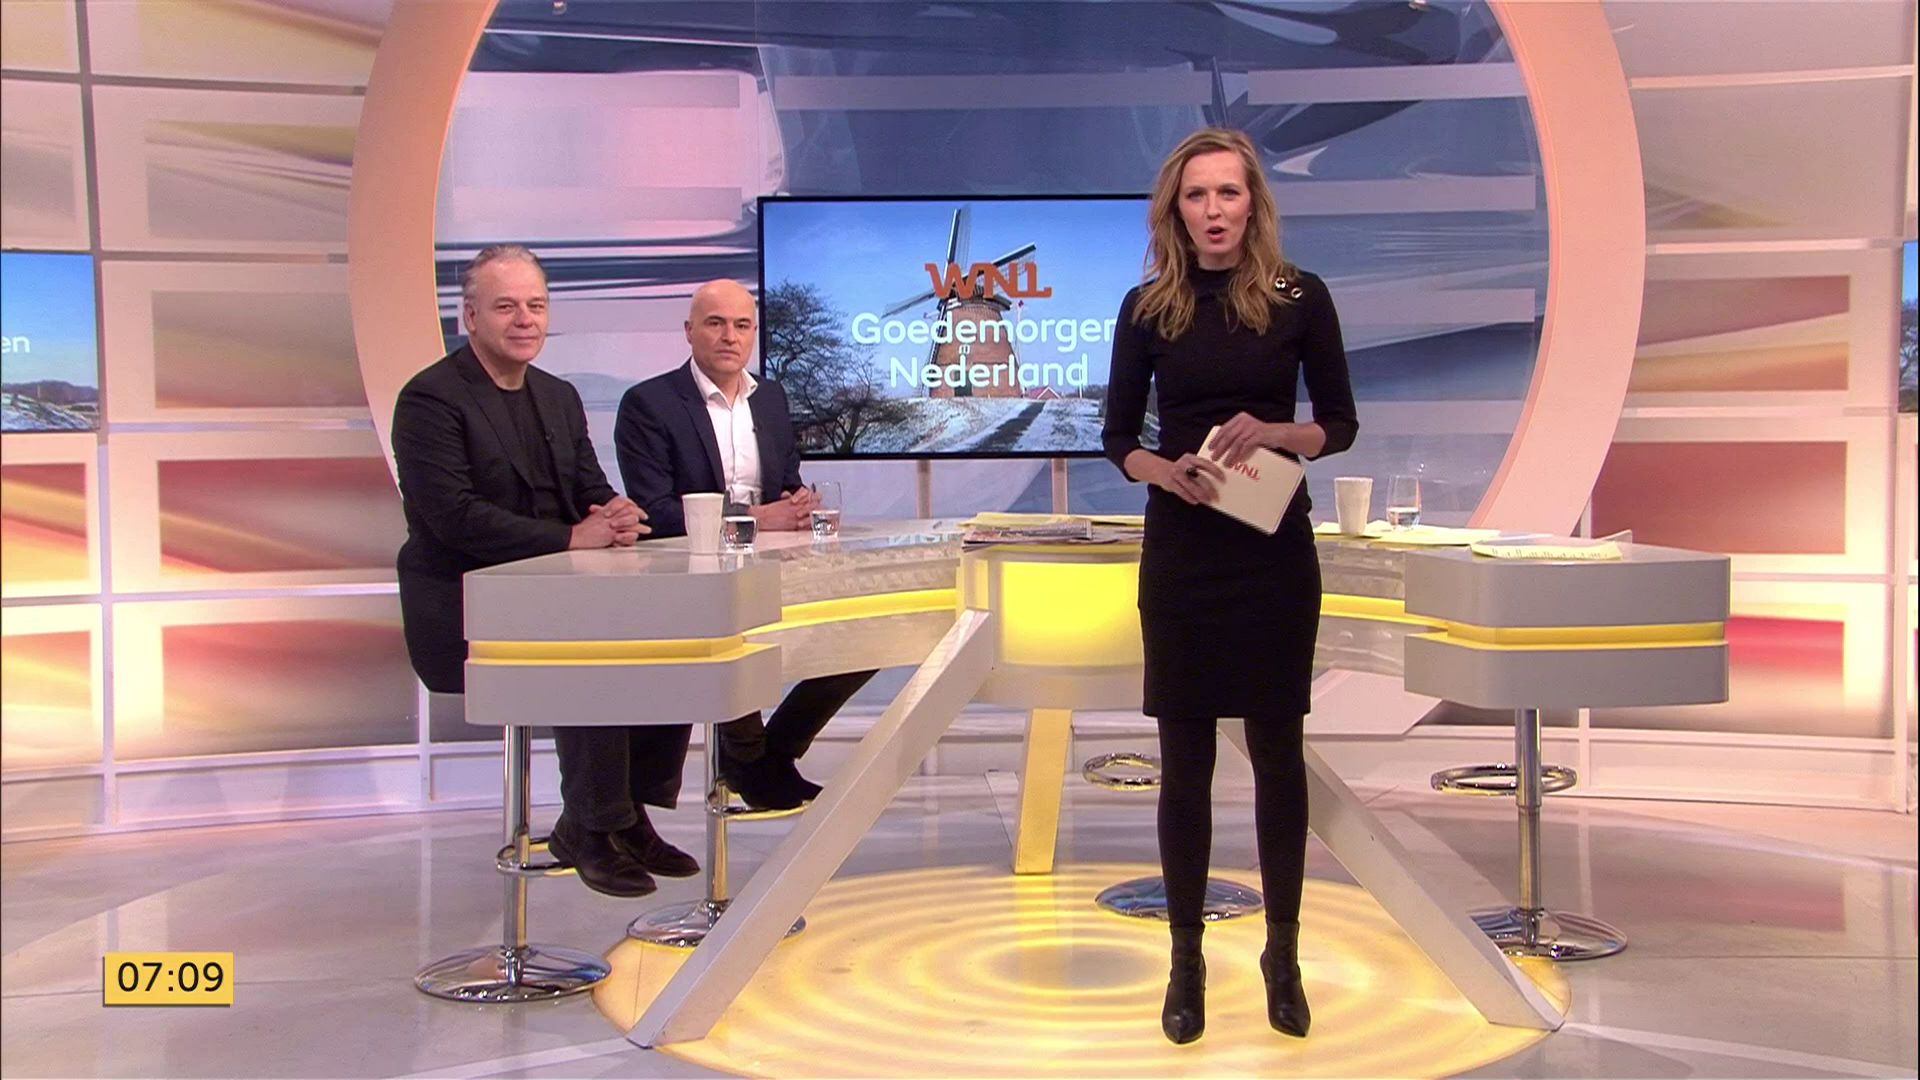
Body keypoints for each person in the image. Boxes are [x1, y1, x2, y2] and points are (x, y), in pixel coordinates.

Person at [1100, 128, 1359, 1045]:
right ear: (1175, 210)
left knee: (1278, 756)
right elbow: (1117, 436)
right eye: (1197, 195)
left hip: (1272, 549)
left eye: (1229, 193)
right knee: (1187, 764)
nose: (1214, 211)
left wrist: (1275, 432)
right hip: (1183, 552)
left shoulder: (1299, 297)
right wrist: (1161, 471)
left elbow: (1339, 424)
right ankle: (1187, 962)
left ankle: (1282, 957)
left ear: (1254, 204)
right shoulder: (1148, 308)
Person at [392, 244, 699, 899]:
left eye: (536, 305)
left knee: (671, 634)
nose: (525, 319)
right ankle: (594, 825)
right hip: (467, 608)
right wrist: (572, 535)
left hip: (559, 600)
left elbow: (589, 486)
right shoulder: (430, 400)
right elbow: (453, 518)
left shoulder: (557, 397)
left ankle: (627, 812)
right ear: (471, 316)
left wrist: (615, 512)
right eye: (506, 306)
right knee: (587, 647)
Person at [615, 280, 877, 811]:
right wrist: (755, 520)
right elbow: (657, 515)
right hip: (693, 583)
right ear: (689, 332)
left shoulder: (771, 399)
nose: (729, 337)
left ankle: (772, 753)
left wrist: (799, 503)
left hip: (777, 570)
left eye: (741, 325)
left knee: (866, 632)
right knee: (730, 633)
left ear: (754, 333)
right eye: (715, 324)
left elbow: (785, 483)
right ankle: (751, 760)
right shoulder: (649, 404)